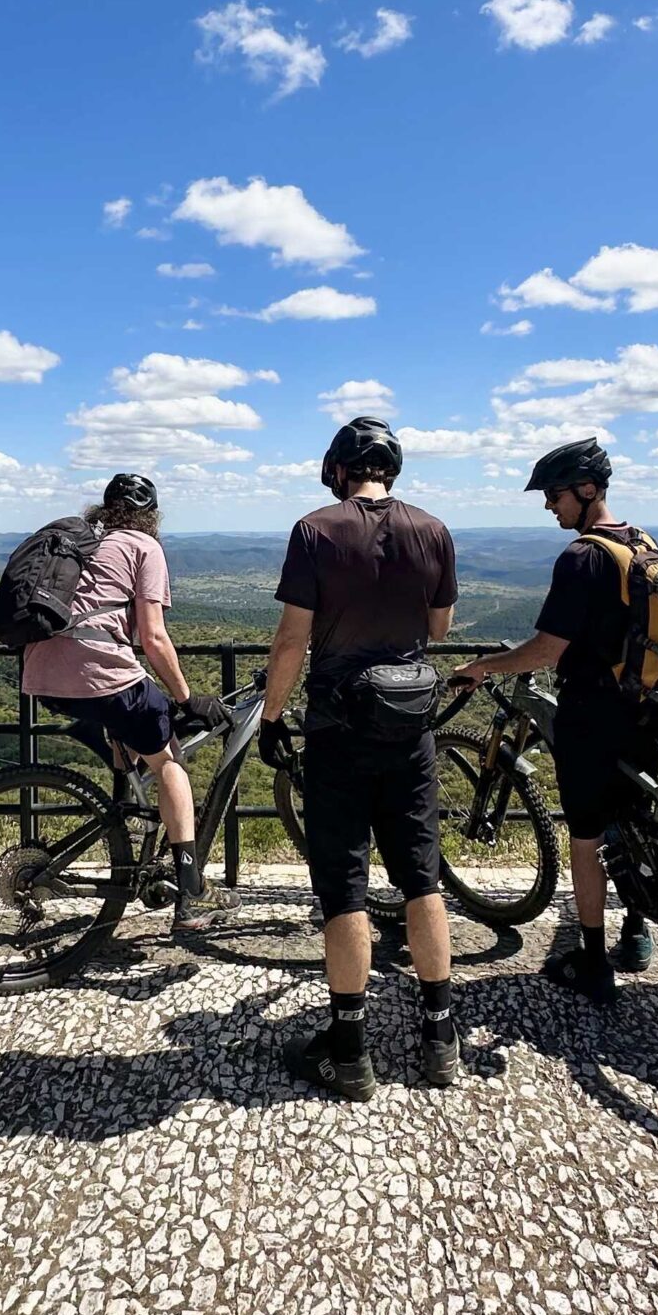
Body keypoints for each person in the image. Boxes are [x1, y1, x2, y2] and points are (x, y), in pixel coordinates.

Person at [258, 417, 460, 1097]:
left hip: (338, 730)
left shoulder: (315, 530)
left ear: (339, 470)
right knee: (421, 878)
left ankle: (349, 1052)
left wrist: (274, 717)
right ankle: (439, 1039)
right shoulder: (433, 530)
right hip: (411, 730)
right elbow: (440, 628)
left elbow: (292, 641)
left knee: (344, 888)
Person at [451, 438, 656, 1004]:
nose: (549, 507)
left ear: (586, 491)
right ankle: (637, 933)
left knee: (587, 836)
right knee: (633, 824)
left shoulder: (582, 556)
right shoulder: (642, 544)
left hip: (592, 715)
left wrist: (482, 666)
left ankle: (593, 960)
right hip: (644, 711)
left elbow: (546, 648)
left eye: (554, 495)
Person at [19, 473, 230, 931]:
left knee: (133, 729)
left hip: (41, 674)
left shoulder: (83, 542)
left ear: (104, 508)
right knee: (170, 761)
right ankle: (192, 890)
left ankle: (130, 833)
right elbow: (152, 637)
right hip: (98, 673)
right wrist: (189, 697)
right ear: (150, 515)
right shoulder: (143, 546)